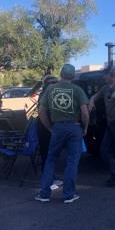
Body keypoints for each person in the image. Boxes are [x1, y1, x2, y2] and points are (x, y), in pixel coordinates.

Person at [35, 64, 89, 204]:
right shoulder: (77, 90)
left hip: (57, 128)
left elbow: (41, 112)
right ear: (72, 76)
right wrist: (85, 127)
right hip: (74, 128)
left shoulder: (50, 89)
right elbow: (84, 112)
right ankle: (69, 195)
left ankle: (44, 194)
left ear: (61, 74)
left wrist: (50, 128)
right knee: (72, 161)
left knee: (51, 160)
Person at [36, 74, 63, 190]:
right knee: (47, 154)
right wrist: (50, 129)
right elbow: (44, 113)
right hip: (44, 127)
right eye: (52, 83)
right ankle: (48, 181)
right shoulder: (45, 95)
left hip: (48, 127)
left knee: (51, 154)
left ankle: (51, 177)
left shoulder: (49, 94)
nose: (55, 85)